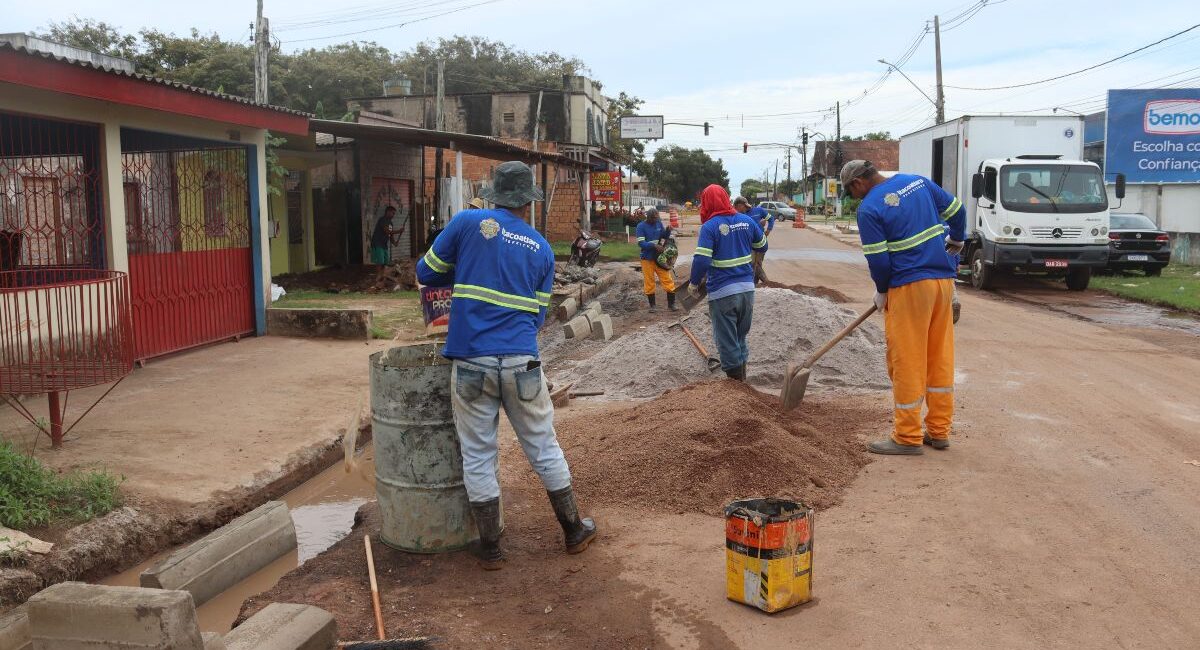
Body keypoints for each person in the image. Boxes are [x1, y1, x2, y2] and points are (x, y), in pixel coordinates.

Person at [416, 161, 597, 569]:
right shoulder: (542, 248)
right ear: (526, 201)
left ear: (494, 194)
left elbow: (426, 272)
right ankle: (573, 531)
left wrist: (462, 265)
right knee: (543, 445)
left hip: (471, 361)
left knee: (478, 453)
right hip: (521, 361)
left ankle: (491, 548)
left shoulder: (467, 223)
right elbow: (536, 317)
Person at [840, 160, 966, 455]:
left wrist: (882, 290)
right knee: (939, 356)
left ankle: (907, 436)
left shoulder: (869, 208)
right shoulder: (918, 182)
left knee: (907, 359)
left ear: (857, 183)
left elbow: (879, 260)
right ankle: (938, 431)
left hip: (910, 287)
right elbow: (958, 210)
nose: (853, 198)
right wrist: (957, 240)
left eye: (850, 192)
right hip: (943, 283)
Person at [690, 184, 768, 380]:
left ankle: (736, 392)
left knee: (727, 341)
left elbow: (701, 260)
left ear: (706, 203)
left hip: (722, 293)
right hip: (747, 292)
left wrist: (693, 283)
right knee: (740, 337)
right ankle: (743, 386)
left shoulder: (709, 227)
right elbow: (762, 245)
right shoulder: (747, 221)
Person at [635, 207, 678, 312]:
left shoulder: (658, 223)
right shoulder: (641, 227)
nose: (655, 220)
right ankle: (652, 306)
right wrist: (653, 246)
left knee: (667, 279)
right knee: (649, 281)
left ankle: (671, 304)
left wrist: (668, 230)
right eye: (653, 218)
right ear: (648, 218)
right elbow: (641, 243)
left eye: (656, 218)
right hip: (647, 258)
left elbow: (663, 235)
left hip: (660, 258)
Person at [370, 206, 402, 275]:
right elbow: (387, 231)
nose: (393, 215)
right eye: (393, 213)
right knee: (380, 262)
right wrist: (399, 231)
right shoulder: (382, 220)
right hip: (377, 243)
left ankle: (383, 276)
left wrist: (394, 243)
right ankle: (379, 277)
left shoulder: (390, 223)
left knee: (385, 262)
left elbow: (390, 235)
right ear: (388, 212)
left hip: (384, 244)